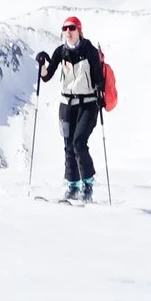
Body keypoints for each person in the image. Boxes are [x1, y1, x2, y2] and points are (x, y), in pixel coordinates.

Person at [37, 15, 104, 202]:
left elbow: (98, 77)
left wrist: (99, 88)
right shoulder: (61, 52)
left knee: (78, 143)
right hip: (67, 105)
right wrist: (42, 62)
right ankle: (72, 186)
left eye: (72, 28)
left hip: (89, 104)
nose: (68, 31)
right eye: (65, 28)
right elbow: (46, 76)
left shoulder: (89, 50)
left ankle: (88, 185)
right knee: (68, 146)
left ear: (79, 30)